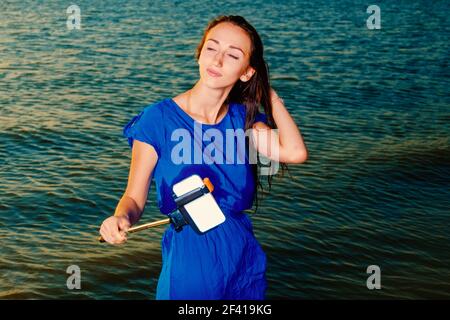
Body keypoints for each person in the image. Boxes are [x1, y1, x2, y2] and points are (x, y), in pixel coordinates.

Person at [99, 15, 308, 300]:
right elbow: (134, 198)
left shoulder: (244, 120)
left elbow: (295, 152)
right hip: (190, 258)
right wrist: (119, 218)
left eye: (233, 55)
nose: (218, 61)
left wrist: (269, 95)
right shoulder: (157, 120)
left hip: (242, 257)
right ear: (199, 53)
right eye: (212, 48)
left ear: (247, 72)